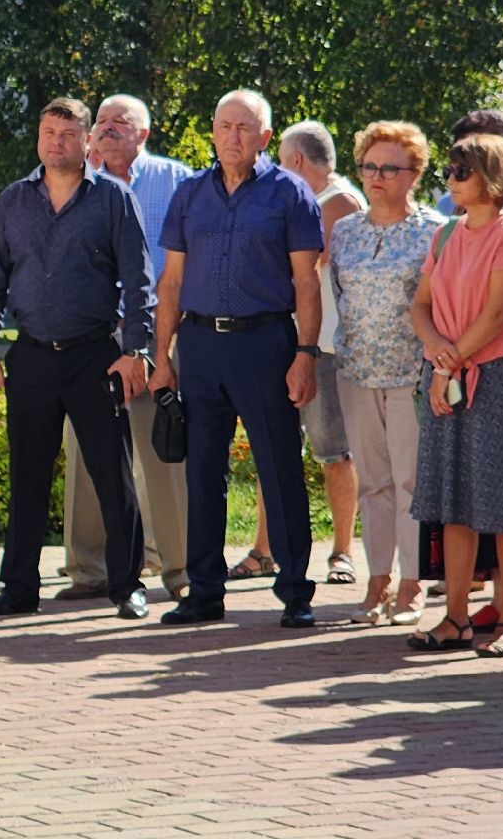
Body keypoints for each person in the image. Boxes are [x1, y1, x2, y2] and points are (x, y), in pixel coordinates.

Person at [0, 99, 153, 620]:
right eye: (48, 132)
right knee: (27, 475)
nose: (57, 142)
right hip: (30, 355)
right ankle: (18, 589)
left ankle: (127, 586)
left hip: (94, 356)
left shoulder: (114, 200)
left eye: (68, 134)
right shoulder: (13, 201)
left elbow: (139, 282)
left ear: (88, 142)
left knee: (111, 474)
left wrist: (135, 352)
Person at [153, 90, 324, 630]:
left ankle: (296, 591)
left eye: (245, 128)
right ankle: (204, 591)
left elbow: (306, 281)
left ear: (265, 138)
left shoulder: (289, 193)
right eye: (225, 126)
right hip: (199, 344)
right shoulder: (190, 195)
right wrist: (162, 356)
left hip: (265, 342)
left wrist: (306, 353)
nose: (234, 137)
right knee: (203, 470)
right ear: (212, 130)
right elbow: (172, 280)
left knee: (279, 467)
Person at [406, 134, 503, 657]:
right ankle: (456, 619)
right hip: (446, 375)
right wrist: (438, 352)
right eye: (451, 170)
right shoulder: (444, 236)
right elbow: (420, 305)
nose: (451, 179)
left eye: (462, 170)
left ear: (492, 175)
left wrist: (449, 361)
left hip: (496, 379)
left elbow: (498, 315)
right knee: (454, 502)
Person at [58, 94, 192, 601]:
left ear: (145, 134)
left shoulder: (179, 183)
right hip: (88, 341)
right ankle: (88, 571)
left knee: (164, 450)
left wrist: (159, 343)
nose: (109, 128)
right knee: (86, 453)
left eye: (123, 121)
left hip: (159, 337)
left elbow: (186, 264)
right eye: (103, 121)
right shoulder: (71, 183)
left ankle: (180, 571)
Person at [232, 120, 362, 588]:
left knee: (333, 454)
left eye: (278, 159)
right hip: (287, 343)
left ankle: (343, 552)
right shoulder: (304, 201)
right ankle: (264, 551)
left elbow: (302, 269)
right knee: (274, 448)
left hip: (322, 349)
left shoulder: (340, 203)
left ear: (297, 162)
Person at [329, 121, 439, 626]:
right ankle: (377, 582)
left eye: (389, 168)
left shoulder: (435, 231)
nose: (376, 177)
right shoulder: (345, 231)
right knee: (373, 482)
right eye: (369, 166)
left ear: (414, 173)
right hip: (355, 370)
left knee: (411, 480)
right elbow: (339, 296)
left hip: (411, 375)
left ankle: (413, 584)